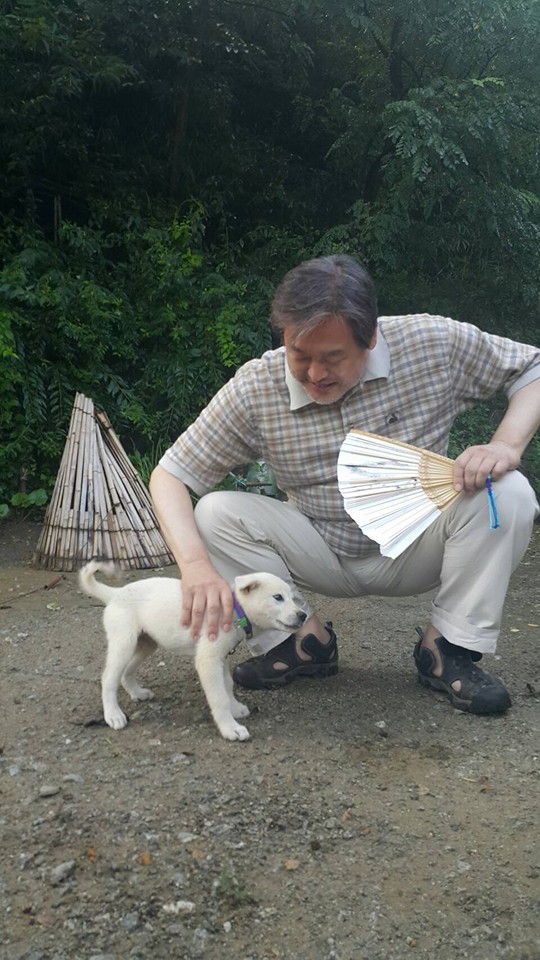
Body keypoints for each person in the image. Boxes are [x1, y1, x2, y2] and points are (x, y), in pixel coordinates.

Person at [149, 254, 540, 715]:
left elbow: (531, 367)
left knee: (508, 492)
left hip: (418, 541)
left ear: (370, 338)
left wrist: (505, 444)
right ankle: (299, 642)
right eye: (300, 355)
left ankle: (447, 649)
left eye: (332, 357)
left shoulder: (432, 344)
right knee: (214, 512)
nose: (315, 374)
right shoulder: (256, 387)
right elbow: (170, 474)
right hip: (318, 546)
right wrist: (195, 566)